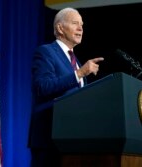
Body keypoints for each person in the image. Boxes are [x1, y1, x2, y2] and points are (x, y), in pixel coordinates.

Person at [28, 7, 104, 167]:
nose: (80, 28)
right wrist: (80, 73)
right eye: (75, 23)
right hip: (49, 138)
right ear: (60, 28)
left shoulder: (77, 62)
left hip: (74, 141)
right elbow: (42, 87)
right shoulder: (46, 52)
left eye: (82, 25)